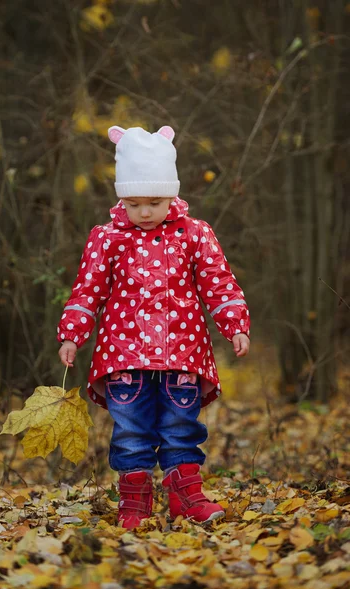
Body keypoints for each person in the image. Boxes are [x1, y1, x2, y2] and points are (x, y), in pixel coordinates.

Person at [57, 124, 250, 529]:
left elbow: (218, 283)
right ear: (121, 198)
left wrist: (235, 324)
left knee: (181, 426)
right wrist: (72, 334)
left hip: (183, 351)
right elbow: (87, 290)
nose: (144, 212)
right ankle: (134, 504)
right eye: (134, 203)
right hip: (123, 354)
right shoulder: (106, 238)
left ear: (173, 194)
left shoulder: (195, 234)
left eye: (155, 202)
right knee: (130, 430)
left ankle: (186, 496)